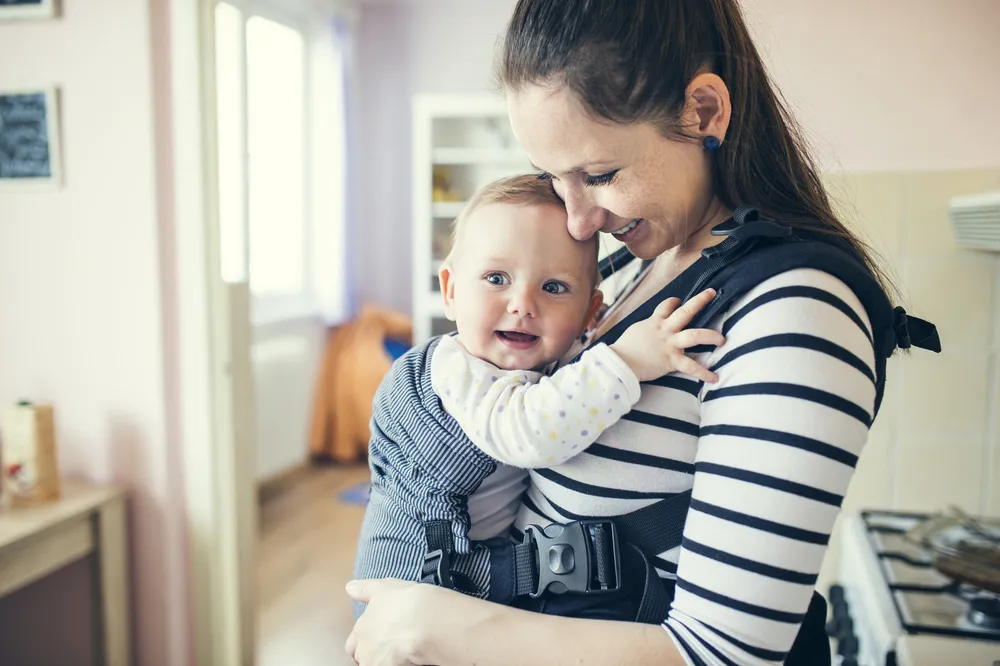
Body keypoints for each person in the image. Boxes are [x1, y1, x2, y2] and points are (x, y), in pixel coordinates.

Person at [344, 1, 934, 664]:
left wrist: (447, 629)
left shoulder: (795, 309)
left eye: (598, 176)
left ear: (704, 112)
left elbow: (728, 655)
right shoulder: (631, 268)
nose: (577, 221)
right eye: (552, 178)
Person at [352, 173, 722, 616]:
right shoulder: (456, 369)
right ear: (450, 291)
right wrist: (628, 360)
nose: (523, 304)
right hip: (413, 587)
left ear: (590, 314)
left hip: (470, 586)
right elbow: (528, 430)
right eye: (496, 278)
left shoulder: (543, 361)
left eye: (553, 287)